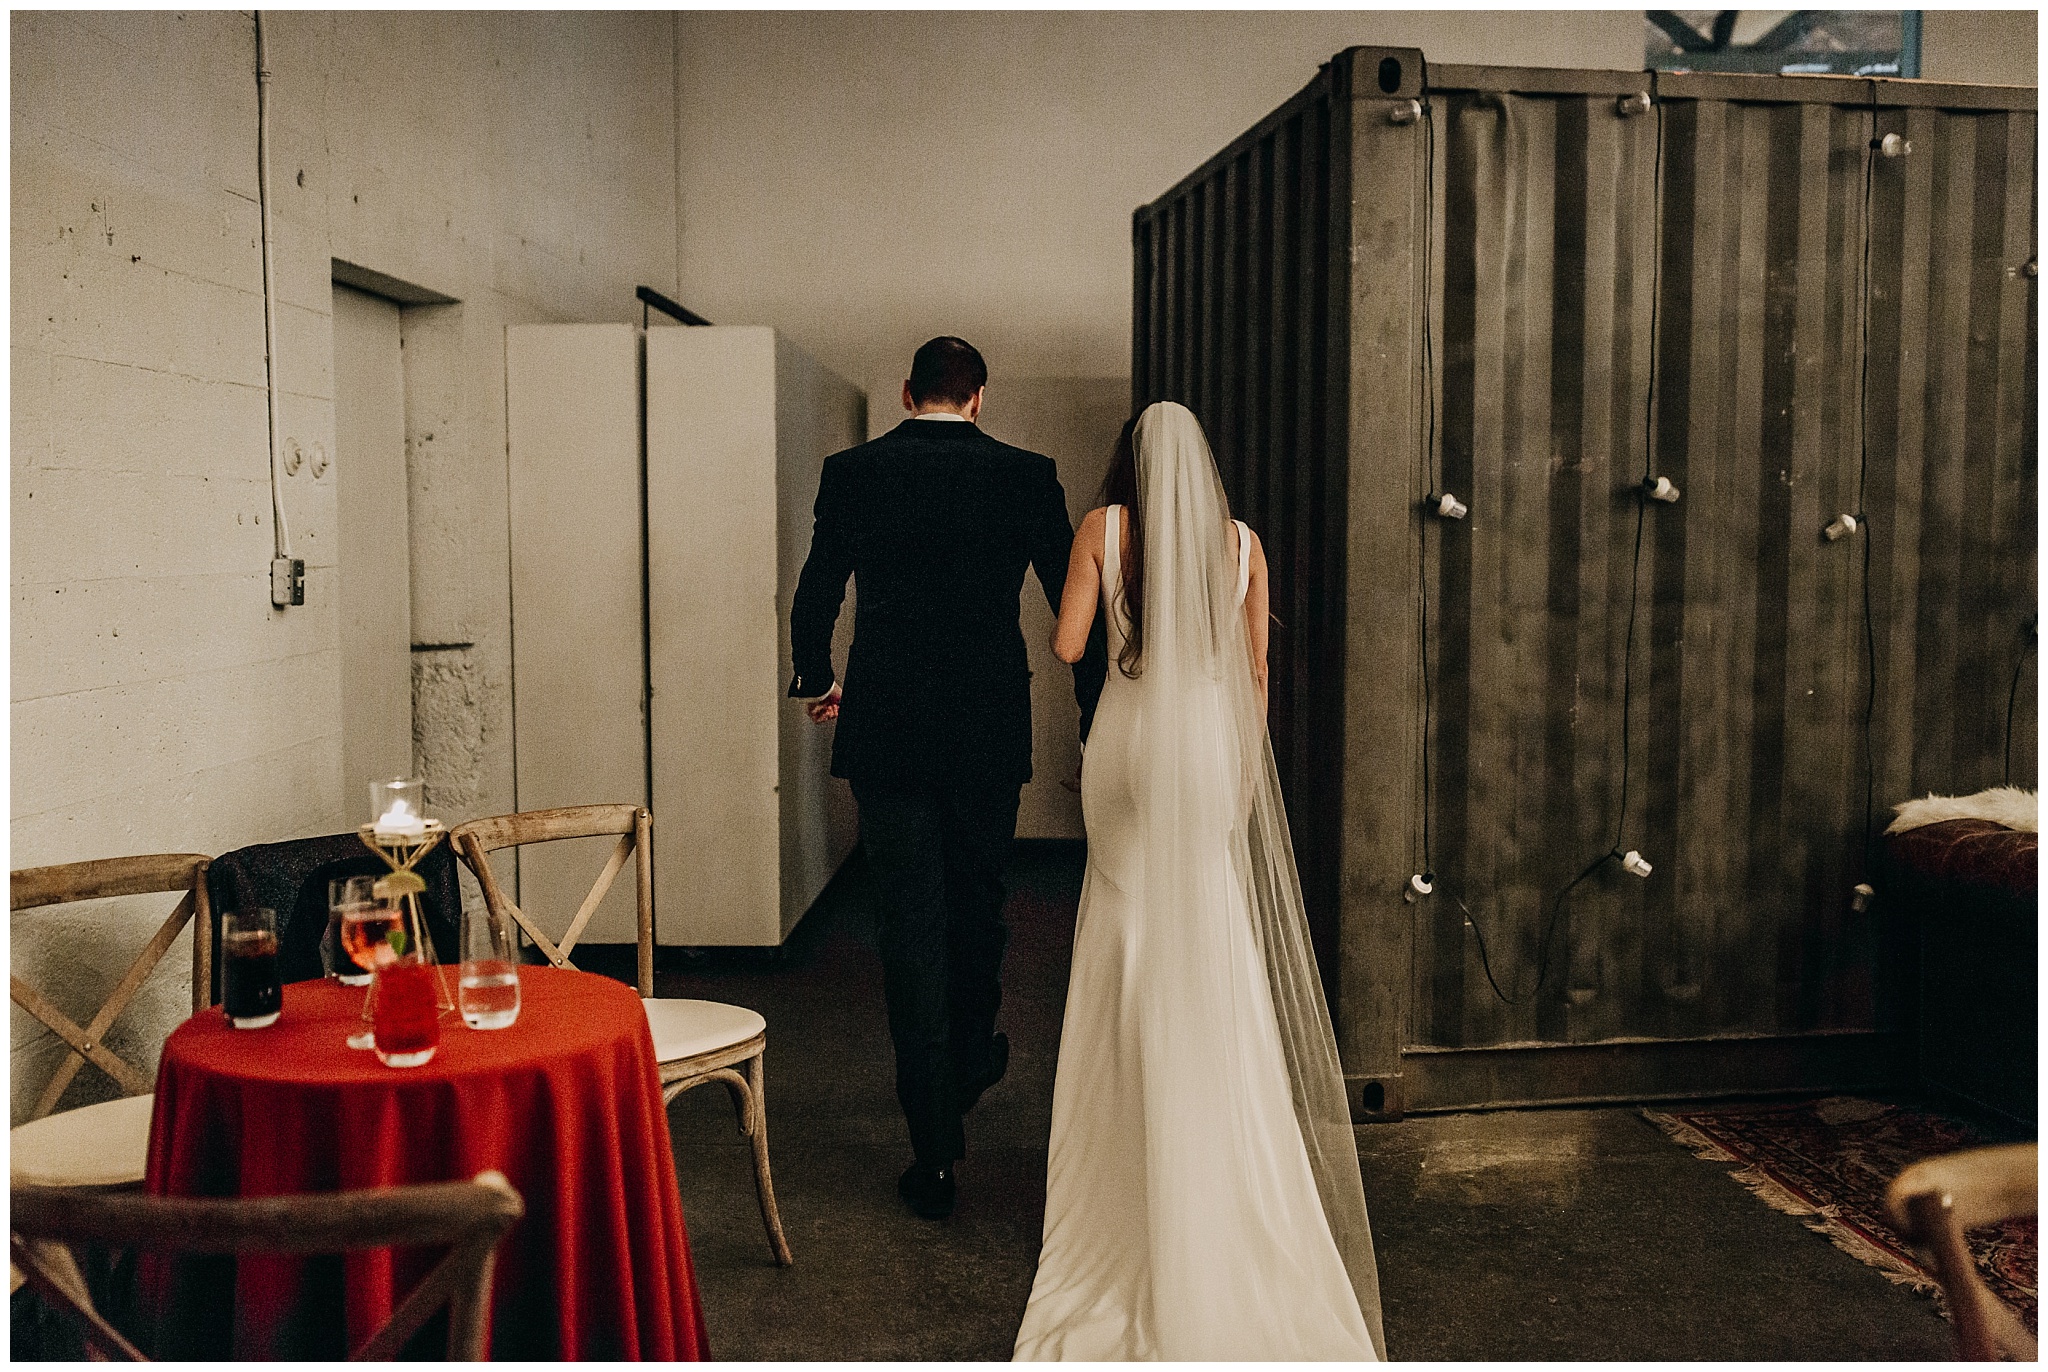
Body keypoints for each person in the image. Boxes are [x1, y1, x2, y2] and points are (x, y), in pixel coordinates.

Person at [1013, 401, 1385, 1360]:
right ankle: (1212, 1137)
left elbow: (1065, 647)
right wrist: (1237, 765)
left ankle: (1126, 1152)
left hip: (1131, 747)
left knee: (1125, 924)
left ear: (1132, 460)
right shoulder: (1244, 542)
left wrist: (1113, 625)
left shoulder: (1104, 529)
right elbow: (1255, 671)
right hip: (1212, 751)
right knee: (1209, 925)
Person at [789, 336, 1106, 1221]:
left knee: (907, 924)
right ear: (978, 399)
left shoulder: (853, 473)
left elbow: (819, 587)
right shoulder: (1026, 474)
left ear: (905, 393)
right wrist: (1094, 715)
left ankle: (932, 1151)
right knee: (979, 900)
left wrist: (816, 676)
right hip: (985, 724)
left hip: (887, 725)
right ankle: (969, 1057)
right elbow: (1060, 591)